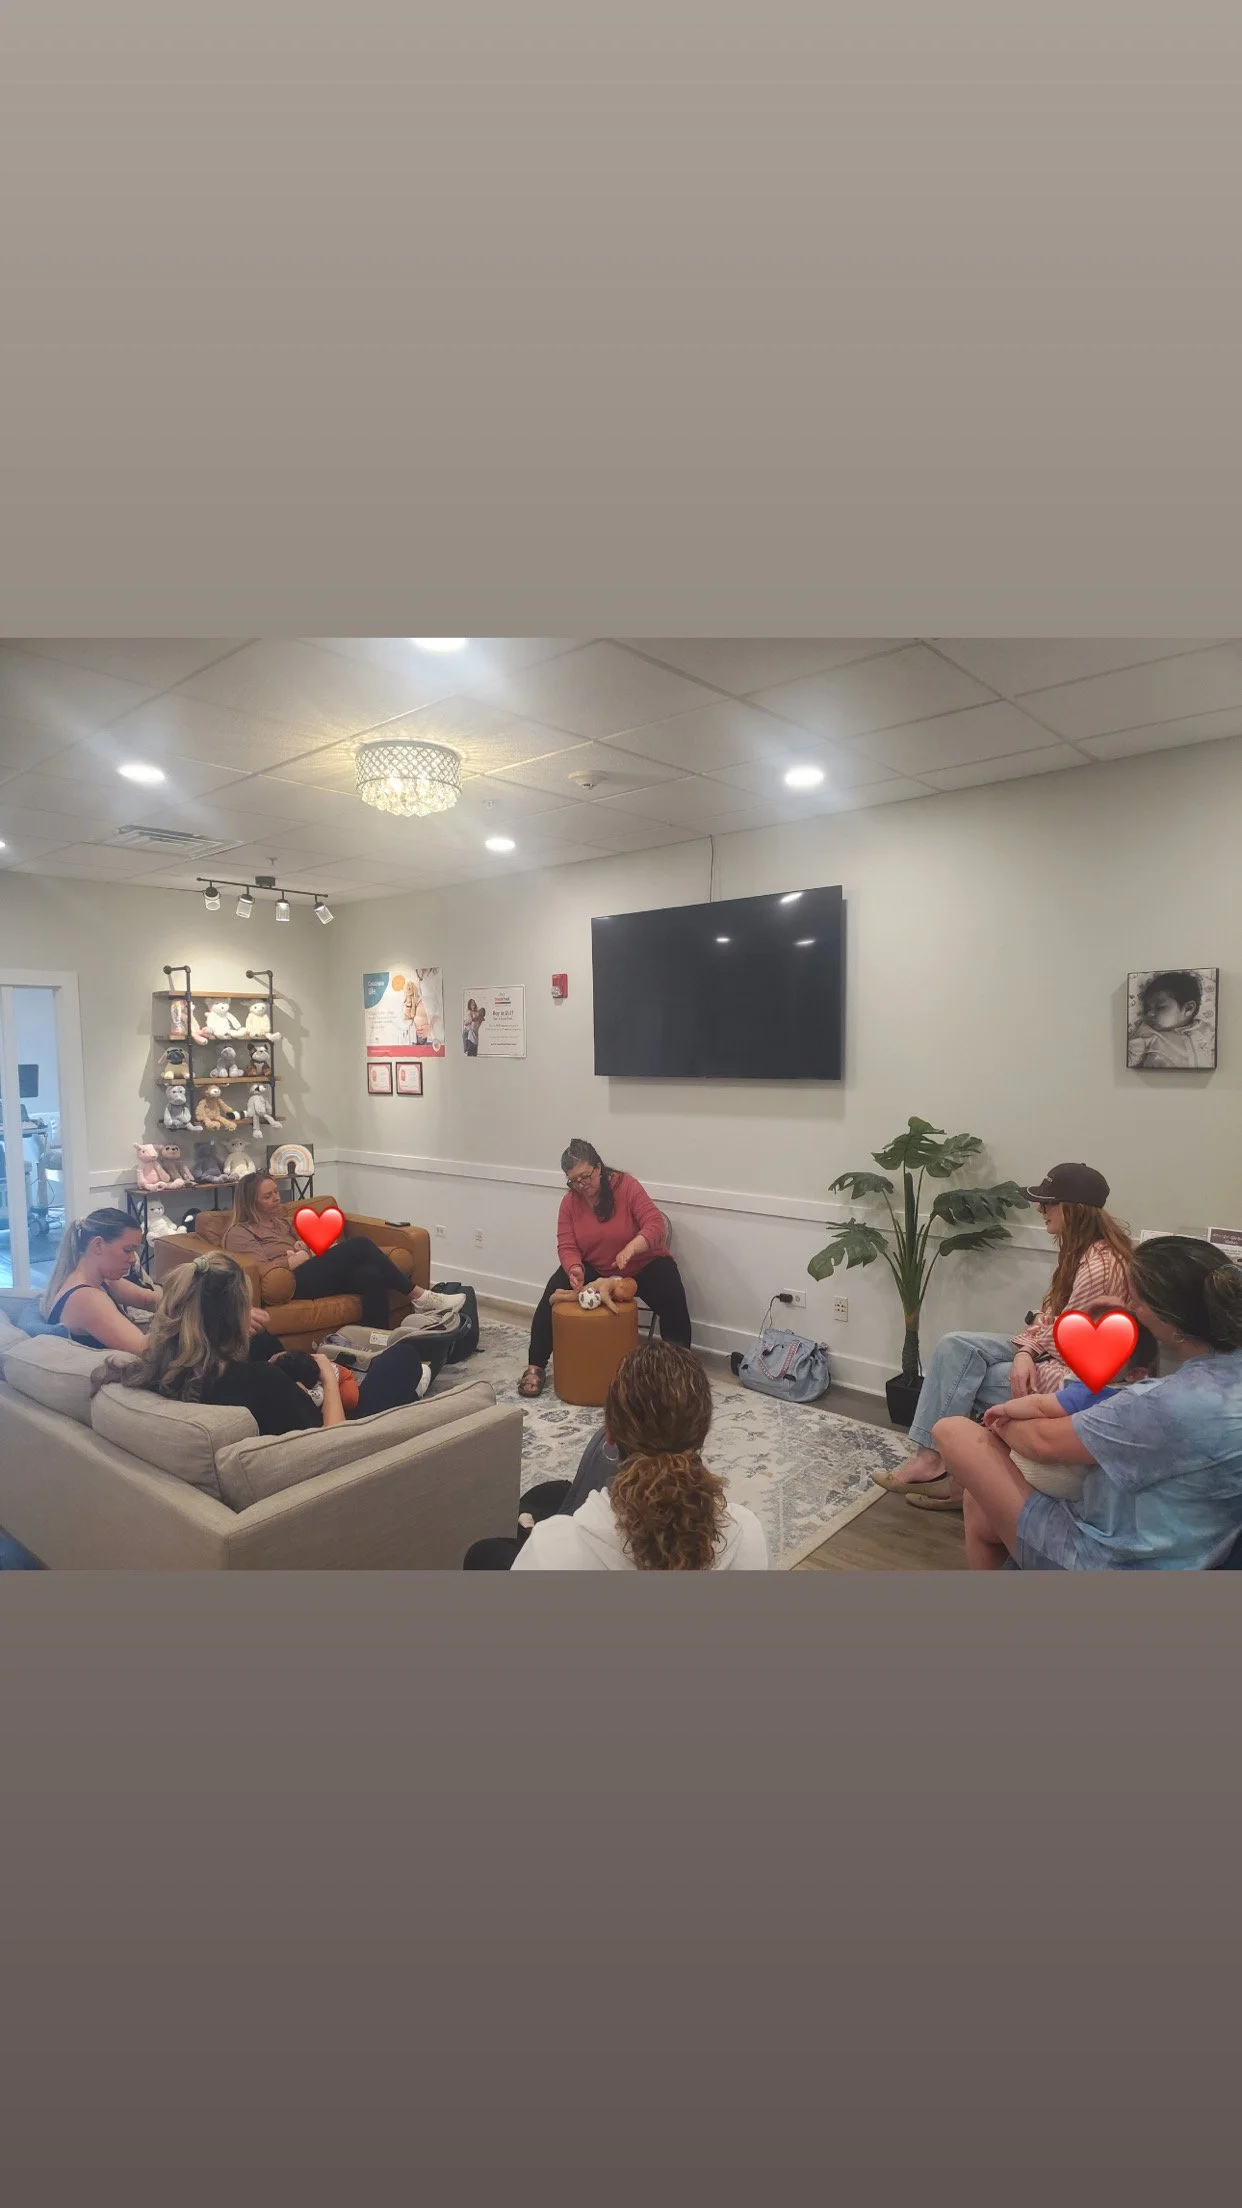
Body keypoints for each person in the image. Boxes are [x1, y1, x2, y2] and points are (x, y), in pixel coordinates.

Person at [931, 1236, 1242, 1570]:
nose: (1130, 1308)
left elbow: (1042, 1443)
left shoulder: (1163, 1405)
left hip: (1110, 1559)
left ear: (1168, 1320)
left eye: (1136, 1302)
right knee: (978, 1505)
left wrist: (998, 1422)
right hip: (1198, 1542)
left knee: (953, 1431)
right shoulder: (1222, 1375)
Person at [871, 1162, 1133, 1510]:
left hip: (1075, 1374)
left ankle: (961, 1482)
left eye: (1049, 1204)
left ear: (1074, 1209)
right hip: (1046, 1349)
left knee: (974, 1378)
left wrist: (1027, 1350)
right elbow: (1050, 1318)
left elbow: (1069, 1340)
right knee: (954, 1346)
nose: (1041, 1211)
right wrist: (1026, 1349)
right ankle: (931, 1460)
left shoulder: (1098, 1267)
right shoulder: (1080, 1251)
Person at [92, 1250, 451, 1437]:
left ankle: (419, 1374)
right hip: (340, 1429)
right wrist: (327, 1376)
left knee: (262, 1341)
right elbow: (333, 1442)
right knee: (403, 1356)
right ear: (233, 1312)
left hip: (280, 1405)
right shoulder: (260, 1382)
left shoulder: (160, 1366)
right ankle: (420, 1378)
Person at [509, 1341, 768, 1570]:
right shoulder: (748, 1536)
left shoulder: (551, 1550)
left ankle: (525, 1524)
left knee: (493, 1547)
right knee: (554, 1492)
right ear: (702, 1433)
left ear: (609, 1433)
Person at [518, 1139, 692, 1397]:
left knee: (671, 1289)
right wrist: (574, 1268)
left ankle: (678, 1370)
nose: (581, 1185)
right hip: (598, 1267)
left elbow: (655, 1224)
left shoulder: (627, 1186)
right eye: (573, 1181)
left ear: (598, 1168)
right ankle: (536, 1365)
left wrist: (632, 1247)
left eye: (585, 1176)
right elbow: (567, 1245)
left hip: (643, 1264)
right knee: (553, 1290)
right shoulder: (569, 1203)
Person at [222, 1172, 460, 1331]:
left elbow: (307, 1246)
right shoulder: (240, 1232)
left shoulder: (282, 1221)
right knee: (360, 1245)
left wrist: (305, 1249)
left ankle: (376, 1339)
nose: (277, 1198)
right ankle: (419, 1296)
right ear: (250, 1203)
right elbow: (260, 1271)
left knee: (371, 1275)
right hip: (291, 1284)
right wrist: (296, 1259)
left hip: (312, 1272)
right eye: (268, 1196)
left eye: (276, 1191)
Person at [38, 1209, 160, 1352]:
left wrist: (180, 1299)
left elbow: (148, 1300)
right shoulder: (86, 1299)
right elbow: (146, 1351)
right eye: (127, 1250)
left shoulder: (100, 1281)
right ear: (98, 1245)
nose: (133, 1259)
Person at [1129, 970, 1214, 1070]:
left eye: (1159, 1008)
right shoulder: (1148, 1033)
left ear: (1188, 1009)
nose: (1149, 1014)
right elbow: (1129, 1060)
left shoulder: (1208, 1030)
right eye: (1147, 1009)